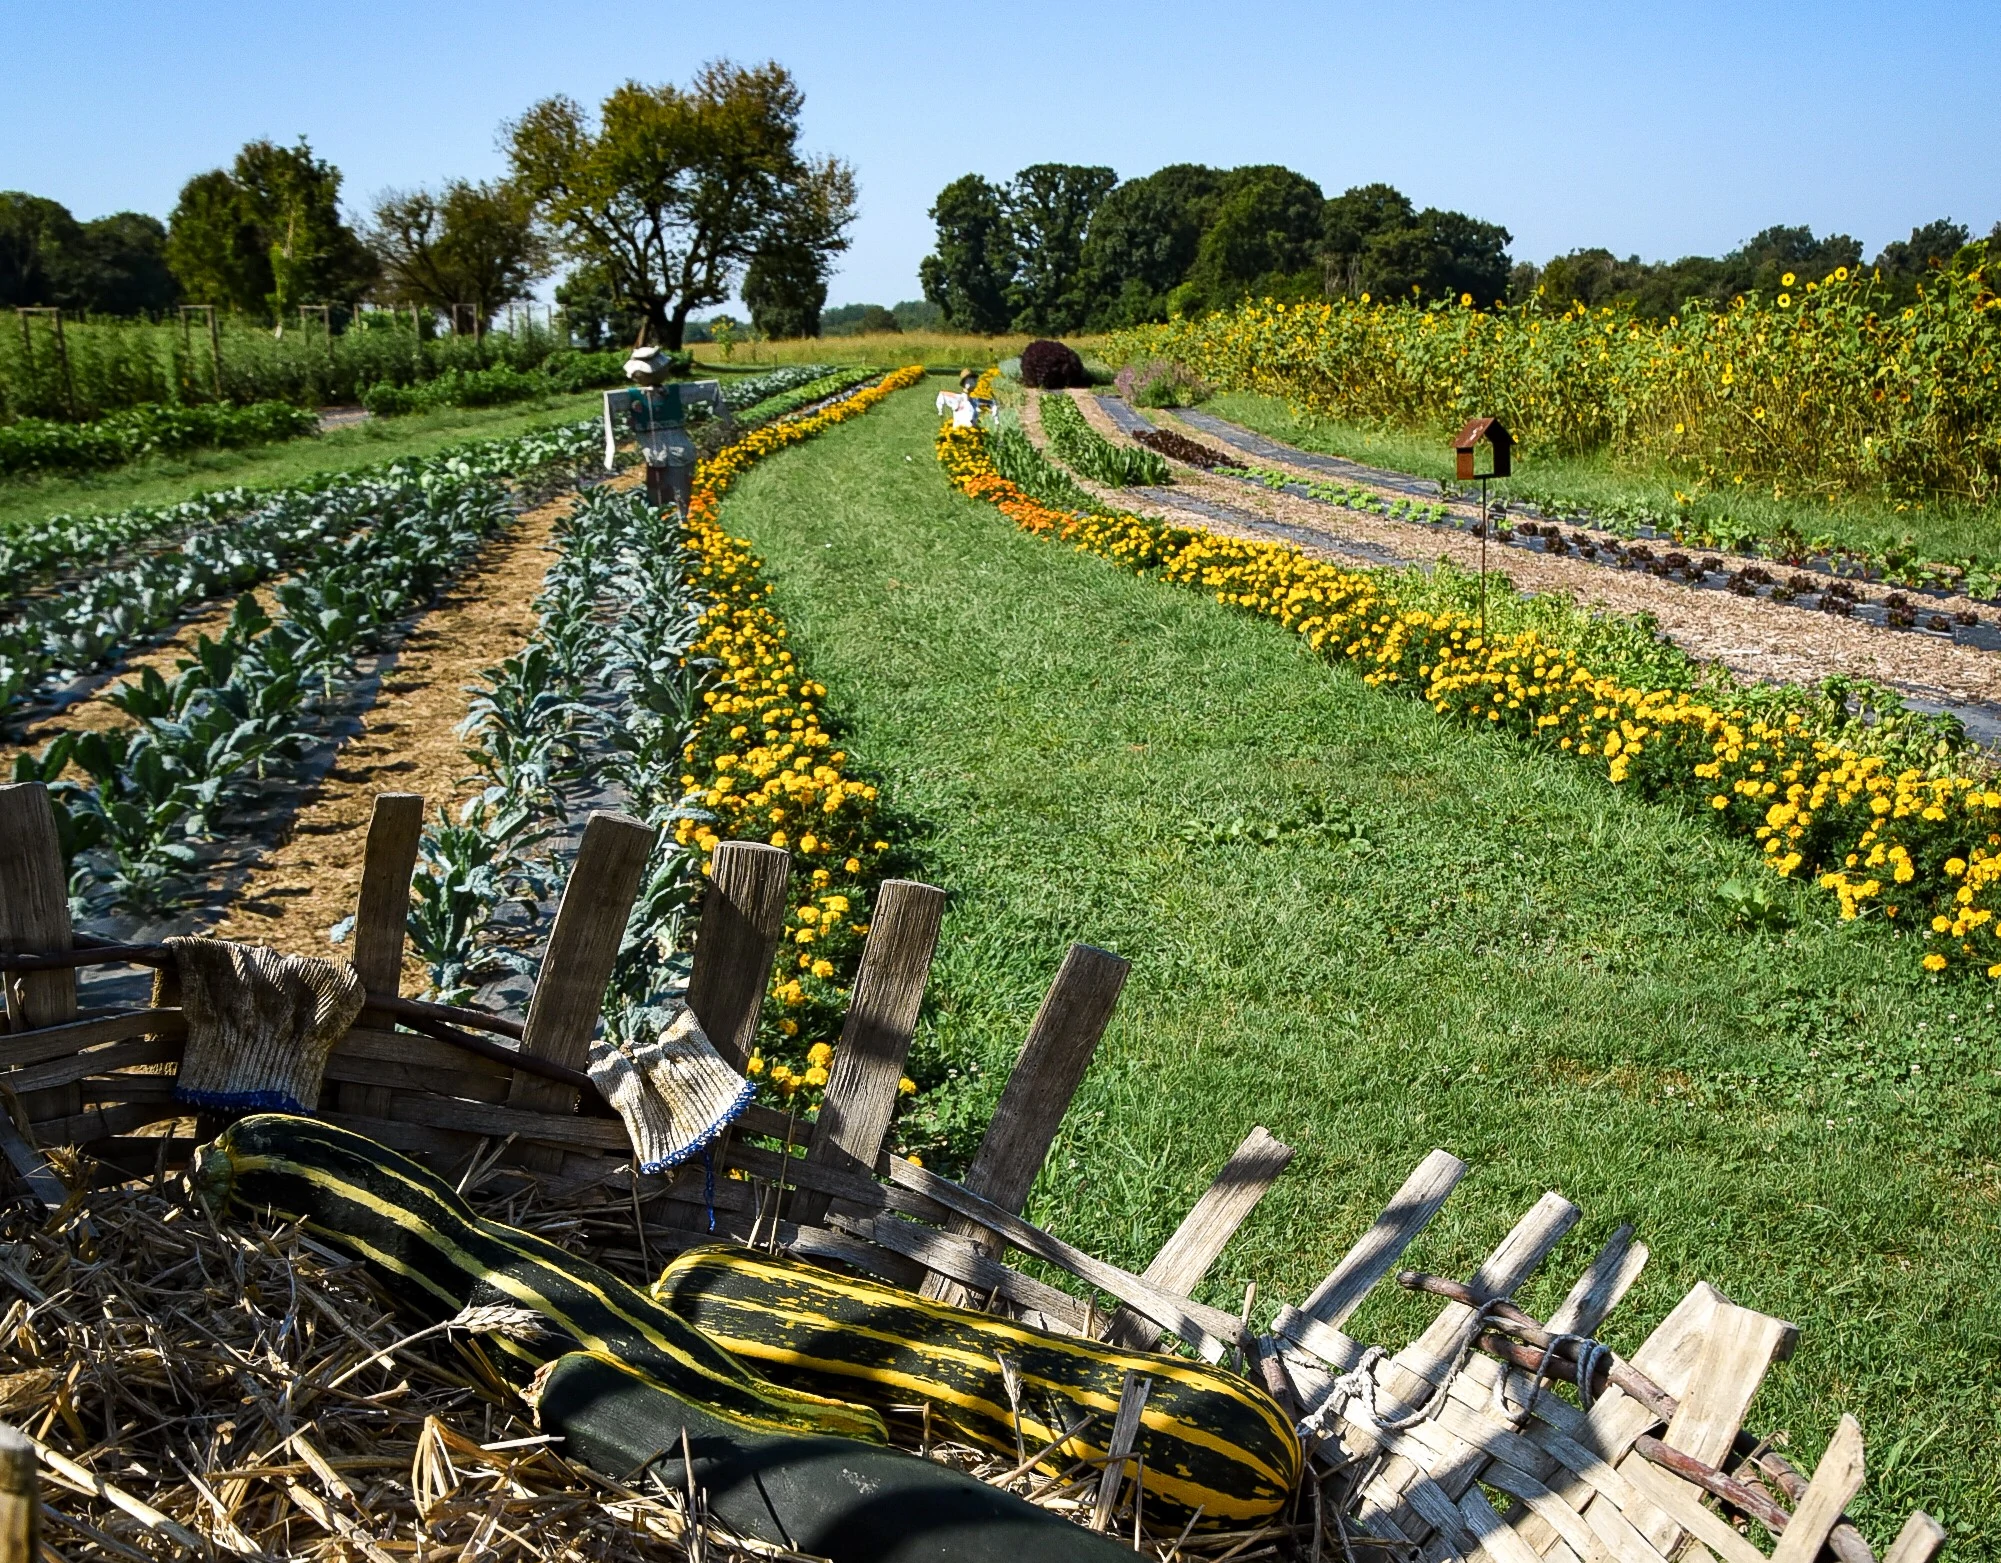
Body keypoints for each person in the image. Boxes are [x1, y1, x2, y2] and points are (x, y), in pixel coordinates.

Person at [603, 347, 733, 516]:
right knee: (662, 485)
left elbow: (709, 390)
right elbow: (610, 409)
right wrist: (611, 449)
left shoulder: (671, 392)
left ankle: (679, 519)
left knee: (677, 485)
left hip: (674, 449)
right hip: (658, 450)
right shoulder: (633, 396)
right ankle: (668, 519)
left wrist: (726, 417)